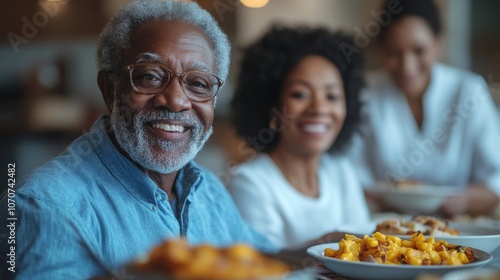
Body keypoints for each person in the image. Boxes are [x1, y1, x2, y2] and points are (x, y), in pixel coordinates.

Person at [0, 1, 277, 279]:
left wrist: (316, 249)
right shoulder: (45, 208)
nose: (176, 101)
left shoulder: (207, 189)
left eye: (198, 84)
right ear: (109, 90)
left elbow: (266, 261)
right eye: (150, 77)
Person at [348, 0, 500, 217]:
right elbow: (349, 171)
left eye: (419, 51)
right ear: (381, 52)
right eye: (394, 53)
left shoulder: (469, 91)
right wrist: (386, 197)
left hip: (457, 226)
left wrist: (463, 200)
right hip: (386, 229)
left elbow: (495, 181)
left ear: (438, 44)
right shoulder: (367, 93)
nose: (407, 66)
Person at [227, 26, 371, 249]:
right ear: (272, 105)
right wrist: (327, 243)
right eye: (300, 94)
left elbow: (367, 254)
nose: (319, 108)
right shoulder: (250, 183)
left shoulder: (342, 172)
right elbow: (263, 266)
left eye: (332, 95)